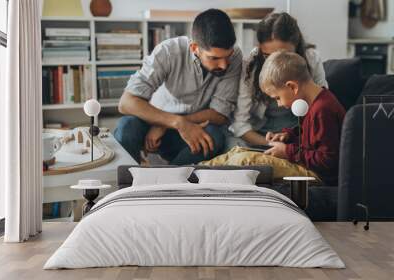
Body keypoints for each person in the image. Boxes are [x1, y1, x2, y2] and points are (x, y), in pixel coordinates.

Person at [114, 9, 242, 165]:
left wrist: (181, 124)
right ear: (195, 48)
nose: (223, 65)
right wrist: (174, 123)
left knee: (215, 136)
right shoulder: (168, 51)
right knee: (126, 126)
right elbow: (126, 103)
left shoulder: (235, 57)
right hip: (153, 126)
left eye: (227, 57)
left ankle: (170, 179)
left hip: (191, 127)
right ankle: (130, 183)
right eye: (214, 58)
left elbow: (220, 114)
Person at [203, 51, 346, 185]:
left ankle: (201, 176)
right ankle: (196, 170)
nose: (279, 104)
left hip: (317, 175)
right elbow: (309, 138)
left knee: (246, 160)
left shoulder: (322, 109)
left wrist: (287, 151)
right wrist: (287, 136)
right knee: (237, 151)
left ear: (292, 87)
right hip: (306, 165)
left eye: (277, 98)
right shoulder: (313, 103)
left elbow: (328, 160)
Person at [228, 12, 328, 149]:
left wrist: (293, 141)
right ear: (259, 48)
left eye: (284, 55)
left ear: (296, 46)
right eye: (267, 55)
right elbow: (240, 123)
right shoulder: (251, 64)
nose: (274, 62)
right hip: (261, 135)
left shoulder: (311, 59)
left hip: (299, 133)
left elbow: (321, 104)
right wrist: (271, 144)